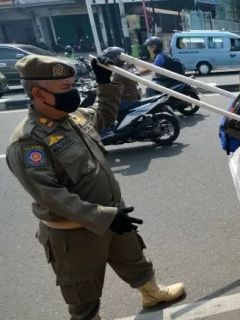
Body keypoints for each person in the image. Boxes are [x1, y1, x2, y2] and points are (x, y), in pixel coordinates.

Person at [5, 55, 185, 320]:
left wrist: (104, 82)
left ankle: (151, 292)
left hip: (113, 216)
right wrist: (105, 217)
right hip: (75, 233)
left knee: (134, 258)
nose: (74, 93)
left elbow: (105, 114)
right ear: (38, 93)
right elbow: (50, 196)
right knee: (83, 291)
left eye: (73, 85)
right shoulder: (28, 141)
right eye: (66, 88)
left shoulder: (73, 118)